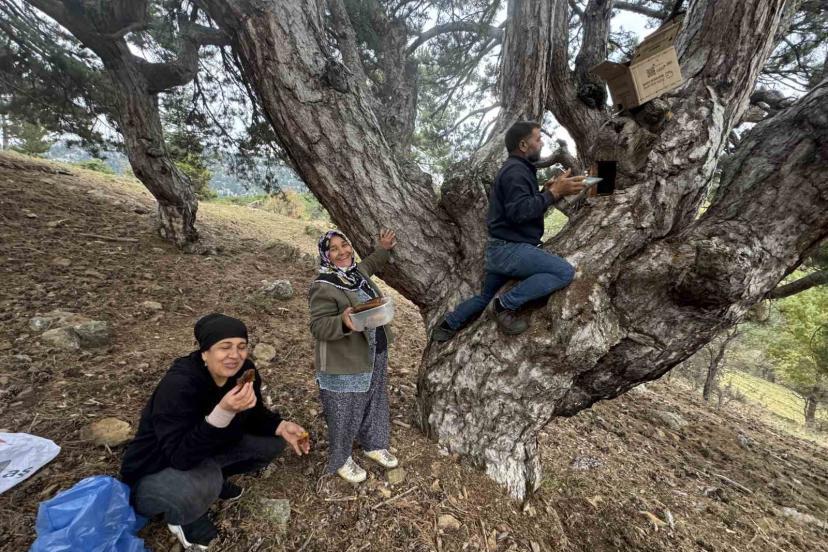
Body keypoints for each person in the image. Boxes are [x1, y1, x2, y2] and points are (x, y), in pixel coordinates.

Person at [120, 313, 310, 551]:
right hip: (156, 467)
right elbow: (180, 456)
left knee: (271, 443)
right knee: (208, 478)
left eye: (241, 346)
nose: (235, 355)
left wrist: (281, 426)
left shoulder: (245, 372)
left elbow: (254, 414)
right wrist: (223, 411)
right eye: (225, 347)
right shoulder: (179, 385)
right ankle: (185, 517)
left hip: (206, 448)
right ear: (205, 352)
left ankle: (211, 483)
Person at [431, 121, 586, 341]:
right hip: (510, 250)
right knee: (564, 272)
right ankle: (504, 305)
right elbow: (519, 212)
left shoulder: (517, 169)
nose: (542, 143)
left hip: (499, 250)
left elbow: (521, 206)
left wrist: (547, 191)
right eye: (538, 139)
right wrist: (553, 194)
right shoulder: (516, 172)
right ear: (523, 145)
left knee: (484, 297)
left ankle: (448, 325)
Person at [309, 228, 398, 483]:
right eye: (333, 249)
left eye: (344, 245)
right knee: (344, 410)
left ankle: (374, 444)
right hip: (345, 361)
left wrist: (383, 248)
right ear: (325, 255)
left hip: (375, 351)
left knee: (375, 399)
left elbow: (371, 263)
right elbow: (317, 326)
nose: (342, 252)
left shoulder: (356, 274)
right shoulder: (323, 286)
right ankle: (341, 459)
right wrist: (343, 321)